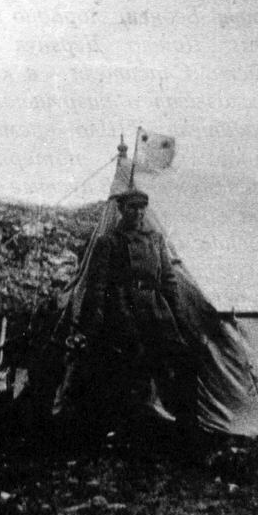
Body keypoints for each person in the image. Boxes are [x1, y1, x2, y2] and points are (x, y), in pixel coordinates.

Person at [53, 188, 199, 450]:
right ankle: (128, 431)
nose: (138, 213)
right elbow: (98, 285)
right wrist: (96, 320)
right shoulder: (108, 242)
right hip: (123, 309)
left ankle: (180, 429)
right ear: (122, 210)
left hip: (155, 308)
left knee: (176, 358)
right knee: (129, 366)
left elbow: (168, 279)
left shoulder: (155, 239)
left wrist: (178, 316)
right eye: (132, 207)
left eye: (142, 208)